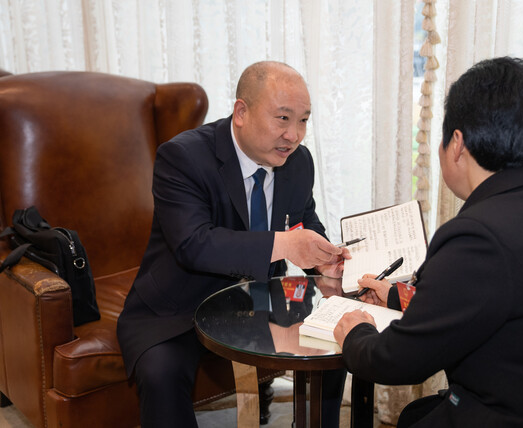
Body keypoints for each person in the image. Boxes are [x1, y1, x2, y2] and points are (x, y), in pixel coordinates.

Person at [334, 57, 523, 427]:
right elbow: (492, 303)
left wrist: (356, 332)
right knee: (417, 414)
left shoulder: (477, 236)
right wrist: (395, 296)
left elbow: (398, 361)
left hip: (520, 417)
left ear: (456, 143)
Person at [117, 61, 349, 428]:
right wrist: (285, 244)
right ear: (241, 112)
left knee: (336, 337)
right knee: (160, 373)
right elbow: (194, 244)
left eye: (303, 120)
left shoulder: (298, 162)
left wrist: (323, 260)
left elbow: (303, 221)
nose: (294, 135)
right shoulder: (183, 157)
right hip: (182, 305)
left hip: (264, 299)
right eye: (283, 118)